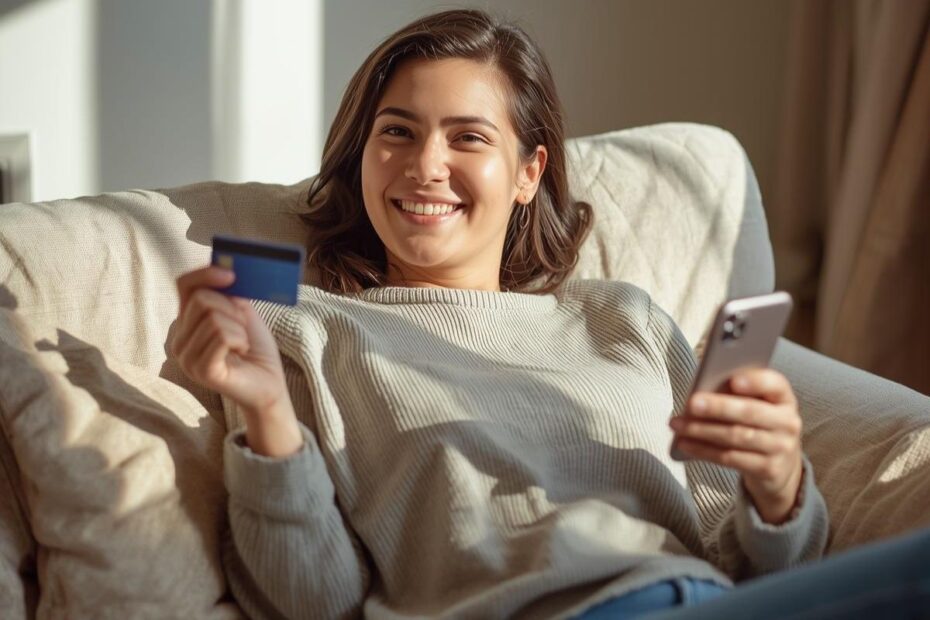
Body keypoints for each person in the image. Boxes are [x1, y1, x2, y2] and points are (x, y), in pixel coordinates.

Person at [171, 9, 930, 620]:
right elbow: (311, 603)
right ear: (362, 155)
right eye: (396, 131)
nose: (424, 165)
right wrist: (267, 416)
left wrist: (779, 487)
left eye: (467, 137)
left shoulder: (621, 319)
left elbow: (748, 564)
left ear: (530, 172)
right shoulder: (309, 333)